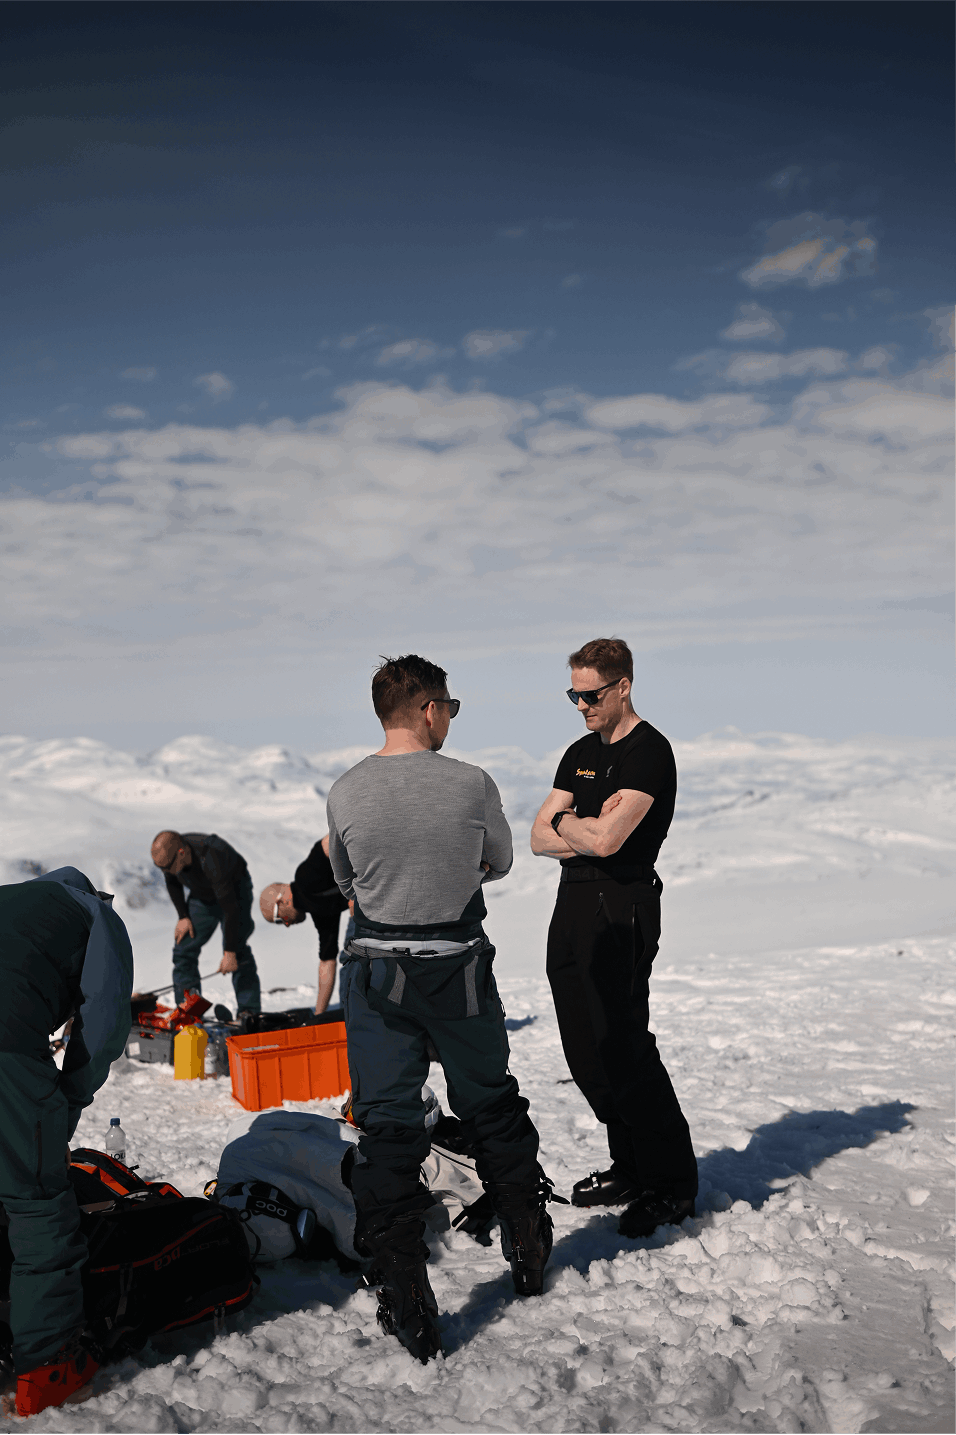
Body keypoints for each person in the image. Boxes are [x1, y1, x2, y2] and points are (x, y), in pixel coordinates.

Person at [327, 654, 559, 1364]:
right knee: (488, 1099)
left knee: (389, 1125)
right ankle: (525, 1233)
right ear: (428, 708)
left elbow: (346, 881)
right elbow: (501, 860)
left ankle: (403, 1283)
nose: (450, 718)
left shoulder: (345, 791)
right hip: (457, 969)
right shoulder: (471, 782)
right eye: (450, 706)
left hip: (375, 975)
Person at [530, 636, 698, 1239]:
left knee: (622, 1038)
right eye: (573, 694)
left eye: (591, 694)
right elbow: (536, 837)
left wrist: (568, 823)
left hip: (621, 902)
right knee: (583, 1044)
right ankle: (629, 1166)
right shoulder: (579, 751)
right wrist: (579, 826)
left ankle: (670, 1182)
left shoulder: (649, 752)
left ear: (623, 685)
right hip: (571, 902)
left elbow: (607, 842)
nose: (581, 705)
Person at [0, 867, 133, 1416]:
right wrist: (68, 1100)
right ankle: (47, 1359)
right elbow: (103, 1024)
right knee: (36, 1203)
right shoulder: (96, 915)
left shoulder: (12, 902)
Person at [150, 831, 261, 1016]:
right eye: (161, 868)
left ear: (181, 853)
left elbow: (230, 907)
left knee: (238, 952)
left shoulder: (213, 856)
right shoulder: (170, 859)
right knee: (183, 950)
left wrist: (230, 951)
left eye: (168, 867)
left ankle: (249, 1012)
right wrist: (183, 916)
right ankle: (189, 1011)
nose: (165, 872)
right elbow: (172, 883)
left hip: (235, 895)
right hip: (203, 896)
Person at [258, 836, 352, 1013]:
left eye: (280, 920)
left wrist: (359, 883)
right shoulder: (319, 912)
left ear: (281, 902)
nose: (286, 925)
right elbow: (327, 961)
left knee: (353, 960)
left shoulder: (304, 879)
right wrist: (318, 1014)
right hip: (375, 899)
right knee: (349, 963)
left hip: (378, 871)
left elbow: (330, 840)